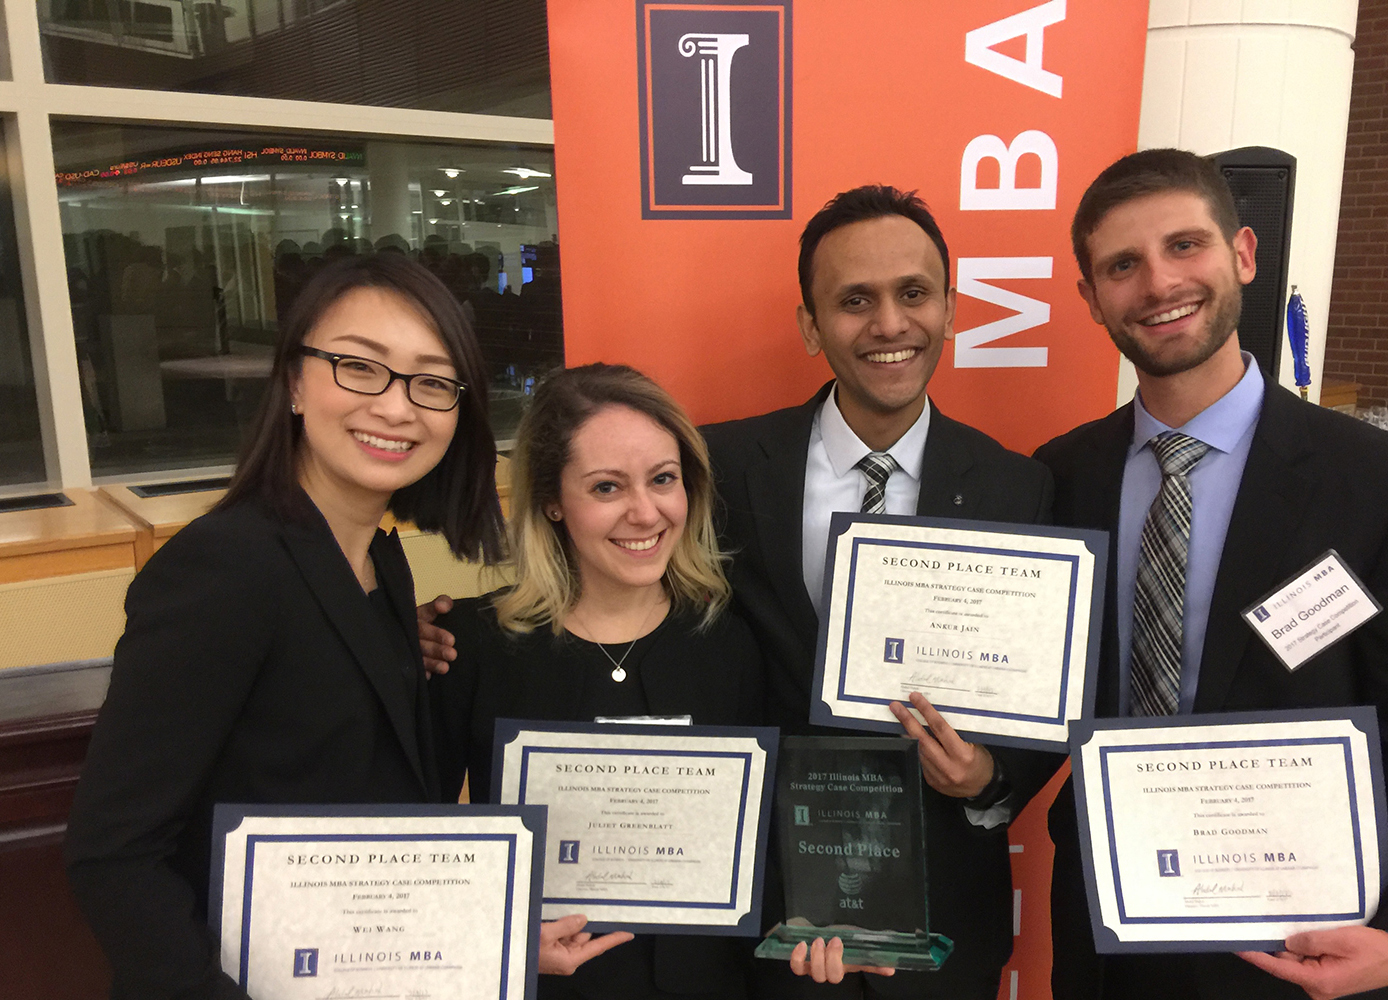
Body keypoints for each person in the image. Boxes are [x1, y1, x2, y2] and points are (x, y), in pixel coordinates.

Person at [65, 254, 624, 999]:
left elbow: (379, 817)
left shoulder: (379, 566)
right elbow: (113, 854)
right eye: (360, 367)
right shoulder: (223, 568)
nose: (397, 408)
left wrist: (486, 940)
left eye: (431, 382)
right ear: (294, 382)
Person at [1037, 148, 1388, 1000]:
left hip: (1306, 948)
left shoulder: (1384, 483)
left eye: (1186, 246)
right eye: (1122, 265)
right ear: (1091, 296)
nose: (1159, 282)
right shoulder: (1061, 476)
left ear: (1242, 253)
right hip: (1107, 931)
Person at [699, 185, 1059, 999]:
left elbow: (1040, 691)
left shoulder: (1017, 487)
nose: (890, 324)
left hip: (942, 917)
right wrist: (460, 627)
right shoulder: (716, 468)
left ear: (952, 310)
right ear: (810, 325)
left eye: (913, 294)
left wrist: (988, 778)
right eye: (854, 300)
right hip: (768, 908)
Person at [427, 363, 766, 1000]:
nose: (646, 512)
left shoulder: (730, 641)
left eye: (663, 480)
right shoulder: (469, 646)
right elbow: (424, 854)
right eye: (607, 488)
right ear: (552, 500)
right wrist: (500, 938)